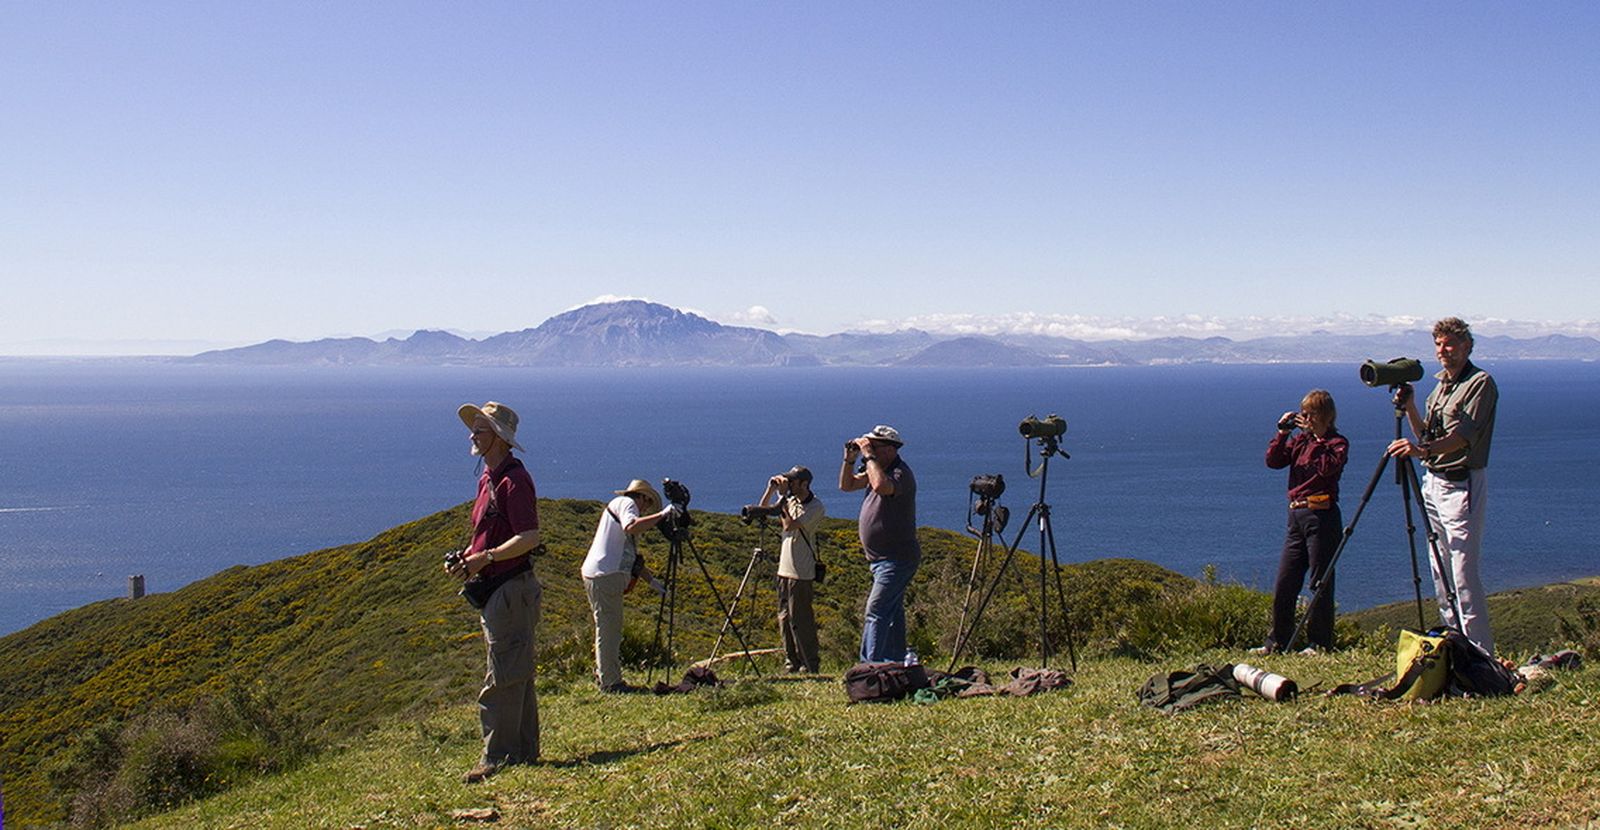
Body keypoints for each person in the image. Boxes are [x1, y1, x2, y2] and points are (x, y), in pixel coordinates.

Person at [1387, 317, 1499, 654]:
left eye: (1449, 343)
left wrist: (1420, 451)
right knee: (1440, 571)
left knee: (1463, 573)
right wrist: (1410, 407)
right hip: (1433, 482)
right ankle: (1454, 648)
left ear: (1467, 346)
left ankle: (1480, 655)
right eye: (1438, 344)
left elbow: (1462, 438)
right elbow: (1427, 435)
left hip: (1461, 483)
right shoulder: (1440, 387)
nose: (1442, 350)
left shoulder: (1479, 383)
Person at [448, 401, 544, 784]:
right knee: (516, 671)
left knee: (503, 673)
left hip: (511, 588)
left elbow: (529, 537)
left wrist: (484, 558)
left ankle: (496, 758)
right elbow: (488, 532)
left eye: (480, 430)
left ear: (499, 438)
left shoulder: (513, 481)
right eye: (473, 429)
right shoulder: (489, 479)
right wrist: (467, 558)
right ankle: (523, 751)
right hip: (501, 588)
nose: (472, 435)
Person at [1257, 389, 1348, 655]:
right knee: (1285, 581)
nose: (1305, 418)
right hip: (1296, 516)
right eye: (1303, 413)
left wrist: (1317, 438)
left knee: (1320, 582)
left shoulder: (1337, 443)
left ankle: (1319, 643)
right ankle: (1278, 641)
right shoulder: (1300, 441)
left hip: (1322, 515)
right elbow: (1274, 461)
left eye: (1310, 413)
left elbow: (1326, 468)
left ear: (1325, 415)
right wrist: (1282, 433)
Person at [581, 478, 673, 692]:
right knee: (609, 630)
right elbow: (631, 526)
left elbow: (631, 558)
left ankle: (605, 674)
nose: (646, 508)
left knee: (606, 627)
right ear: (641, 497)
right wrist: (662, 515)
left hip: (600, 574)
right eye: (647, 503)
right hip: (605, 575)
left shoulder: (619, 505)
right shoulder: (627, 503)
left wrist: (652, 582)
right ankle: (611, 682)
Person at [839, 424, 920, 663]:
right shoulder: (878, 469)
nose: (871, 450)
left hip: (897, 558)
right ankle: (894, 662)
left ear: (890, 449)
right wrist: (849, 460)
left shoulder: (900, 473)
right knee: (892, 612)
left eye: (876, 446)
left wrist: (868, 455)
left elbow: (881, 486)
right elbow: (846, 485)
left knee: (876, 610)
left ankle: (870, 666)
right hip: (882, 560)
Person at [757, 465, 826, 673]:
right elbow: (763, 510)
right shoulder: (791, 501)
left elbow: (789, 525)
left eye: (793, 482)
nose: (790, 485)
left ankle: (809, 662)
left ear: (804, 484)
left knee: (801, 618)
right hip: (784, 569)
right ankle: (791, 661)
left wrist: (782, 498)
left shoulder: (815, 506)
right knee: (784, 618)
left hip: (801, 571)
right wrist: (771, 490)